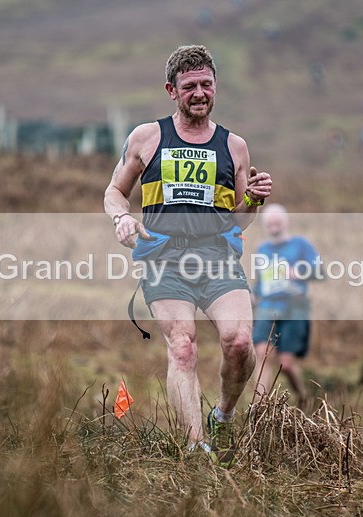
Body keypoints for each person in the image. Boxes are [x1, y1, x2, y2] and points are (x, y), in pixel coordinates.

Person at [103, 45, 272, 466]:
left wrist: (252, 201)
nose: (199, 93)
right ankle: (198, 449)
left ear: (216, 88)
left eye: (206, 85)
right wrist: (121, 220)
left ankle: (223, 416)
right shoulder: (147, 137)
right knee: (183, 347)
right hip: (163, 260)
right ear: (172, 90)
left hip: (217, 258)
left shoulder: (235, 147)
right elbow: (114, 192)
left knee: (238, 343)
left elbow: (239, 222)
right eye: (189, 86)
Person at [250, 204, 319, 408]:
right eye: (270, 223)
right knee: (262, 356)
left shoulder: (300, 245)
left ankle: (303, 397)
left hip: (294, 308)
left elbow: (319, 270)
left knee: (285, 364)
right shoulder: (261, 249)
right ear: (265, 225)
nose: (274, 226)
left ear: (285, 222)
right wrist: (253, 296)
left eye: (277, 222)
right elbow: (260, 281)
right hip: (267, 307)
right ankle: (259, 410)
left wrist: (300, 273)